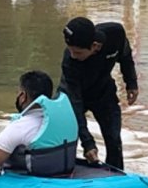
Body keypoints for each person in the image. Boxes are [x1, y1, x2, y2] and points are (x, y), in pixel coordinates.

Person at [58, 17, 138, 169]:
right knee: (66, 137)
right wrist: (88, 143)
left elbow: (126, 56)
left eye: (77, 52)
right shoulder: (69, 61)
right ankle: (65, 171)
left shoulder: (115, 35)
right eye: (70, 50)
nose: (73, 55)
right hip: (73, 95)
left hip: (103, 92)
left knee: (114, 140)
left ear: (95, 46)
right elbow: (75, 103)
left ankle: (116, 176)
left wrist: (131, 83)